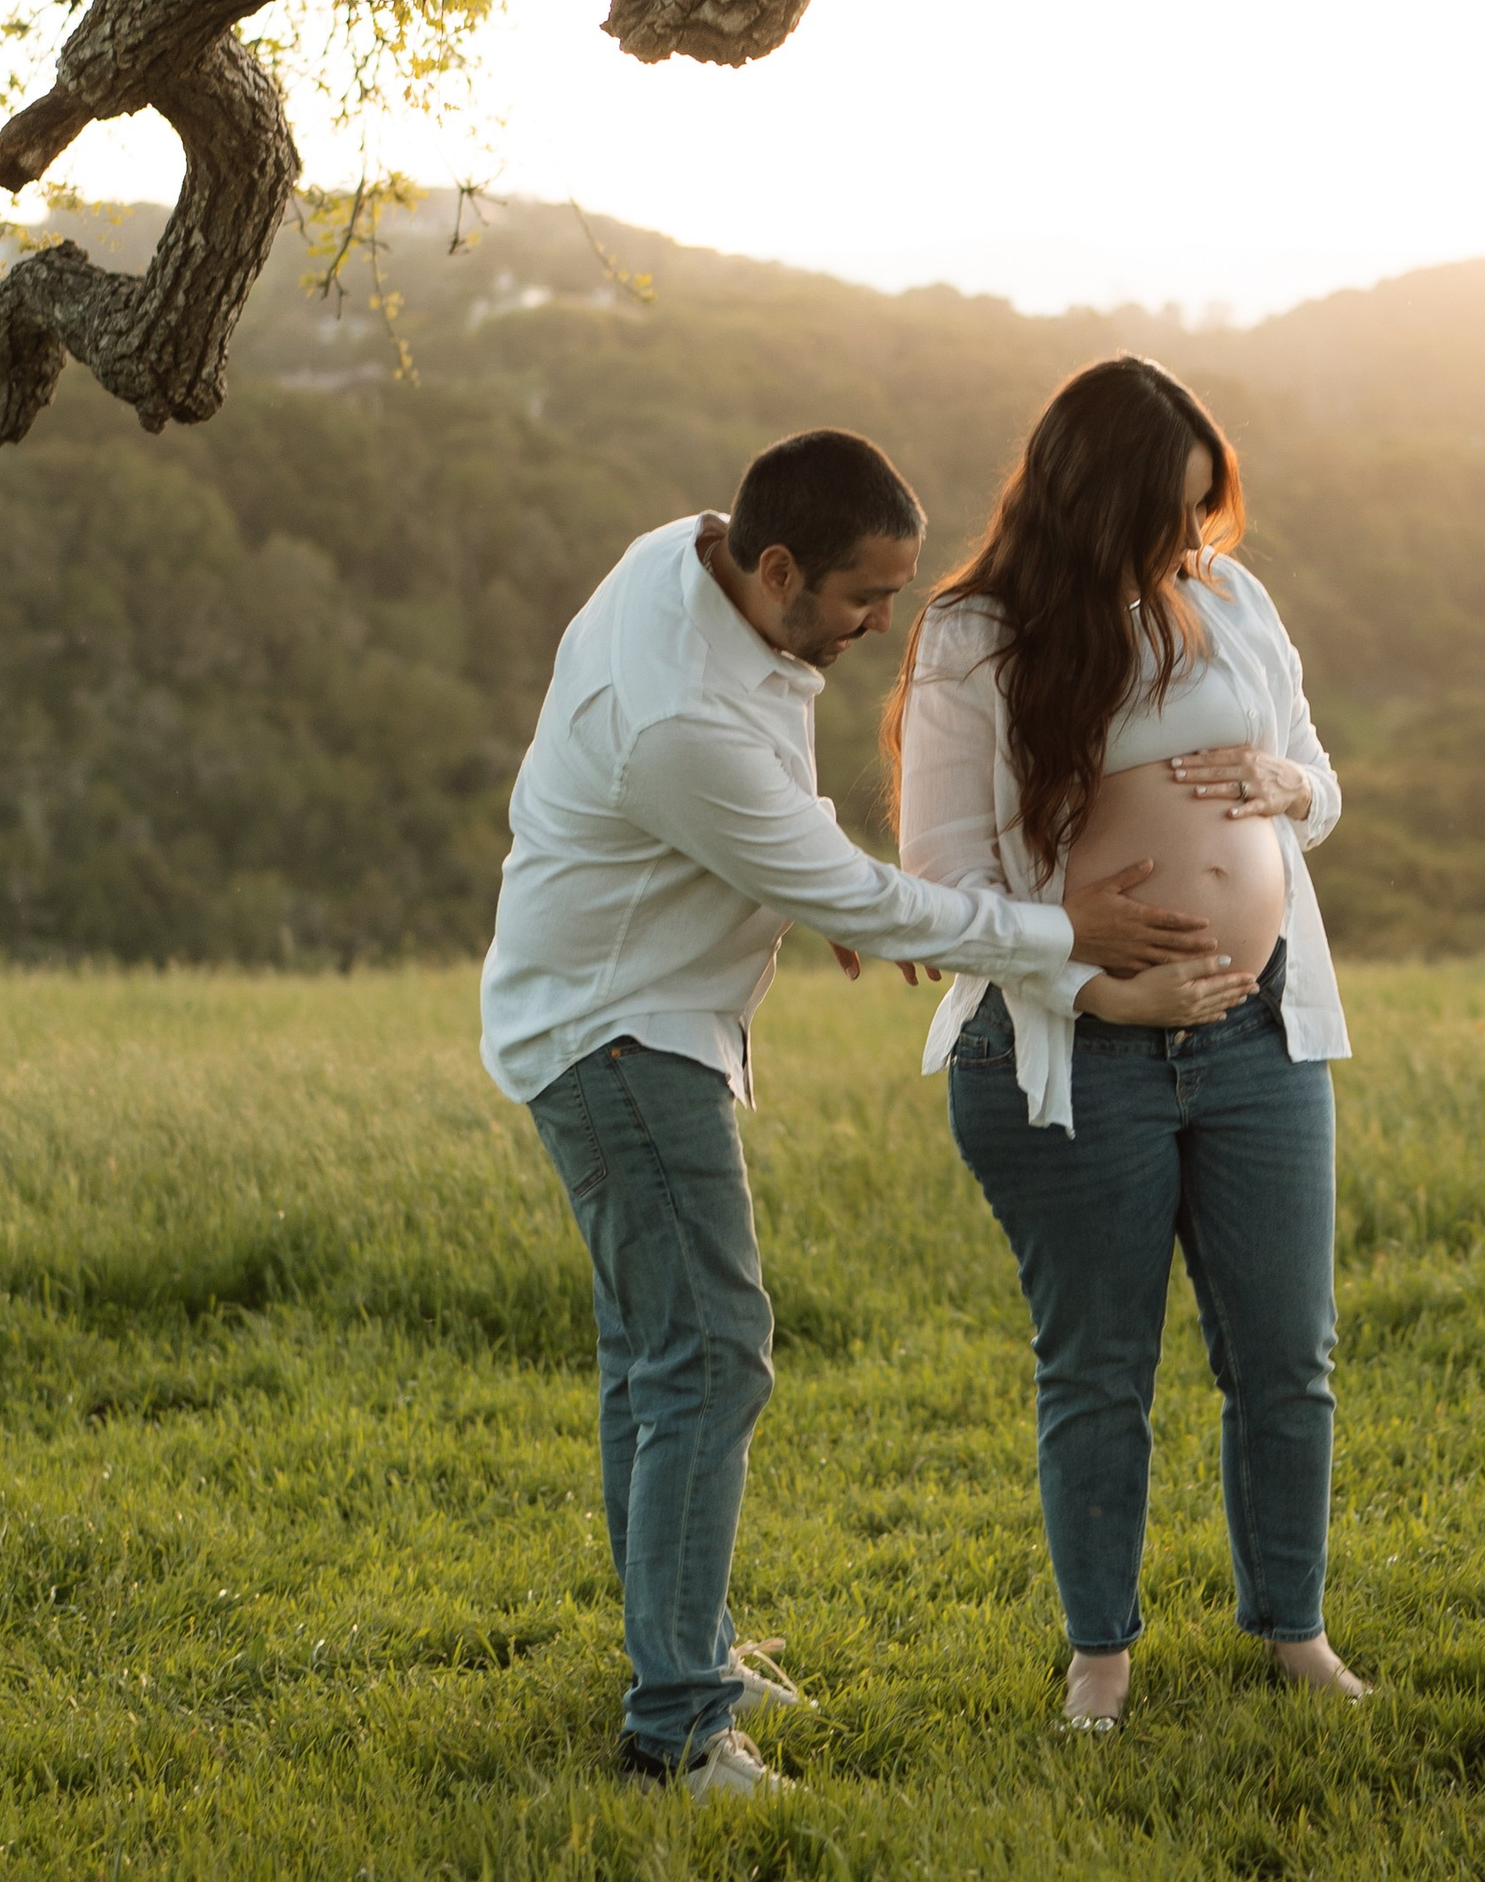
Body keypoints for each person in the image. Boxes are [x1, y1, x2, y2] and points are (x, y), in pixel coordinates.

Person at [480, 427, 1220, 1801]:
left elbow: (788, 827)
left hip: (610, 1005)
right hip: (617, 1035)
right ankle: (680, 1729)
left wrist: (782, 865)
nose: (885, 625)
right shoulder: (681, 721)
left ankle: (678, 1651)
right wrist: (1062, 929)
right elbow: (867, 896)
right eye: (863, 599)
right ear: (775, 568)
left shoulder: (679, 554)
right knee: (708, 1355)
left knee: (657, 1360)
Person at [889, 355, 1362, 1735]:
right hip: (1074, 1052)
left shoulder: (1231, 597)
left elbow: (1317, 780)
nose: (1189, 541)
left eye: (1203, 508)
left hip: (1260, 1038)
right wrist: (1098, 987)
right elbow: (940, 884)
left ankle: (1294, 1630)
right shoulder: (976, 637)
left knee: (1286, 1354)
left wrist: (1291, 788)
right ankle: (1101, 1652)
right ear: (1091, 503)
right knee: (1098, 1367)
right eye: (1164, 513)